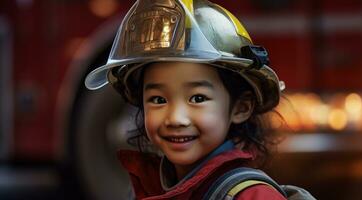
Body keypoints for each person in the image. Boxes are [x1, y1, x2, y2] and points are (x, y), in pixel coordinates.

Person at [84, 0, 286, 199]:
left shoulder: (255, 196)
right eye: (158, 99)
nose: (176, 118)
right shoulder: (146, 188)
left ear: (241, 108)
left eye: (198, 98)